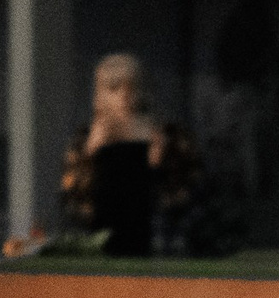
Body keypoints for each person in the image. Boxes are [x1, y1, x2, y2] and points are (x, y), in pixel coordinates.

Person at [61, 53, 198, 258]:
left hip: (150, 240)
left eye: (132, 87)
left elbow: (184, 196)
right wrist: (90, 155)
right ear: (100, 93)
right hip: (101, 240)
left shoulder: (165, 134)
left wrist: (157, 164)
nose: (125, 96)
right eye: (114, 88)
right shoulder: (86, 137)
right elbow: (72, 201)